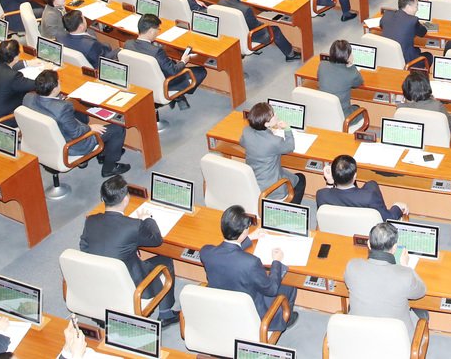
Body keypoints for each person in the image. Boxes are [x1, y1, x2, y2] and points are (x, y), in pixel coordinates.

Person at [81, 176, 178, 324]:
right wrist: (148, 219)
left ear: (102, 199)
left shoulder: (91, 221)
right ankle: (166, 314)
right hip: (131, 285)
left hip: (100, 281)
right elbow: (156, 239)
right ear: (126, 199)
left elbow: (84, 248)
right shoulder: (133, 226)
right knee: (165, 261)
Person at [198, 205, 298, 334]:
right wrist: (276, 261)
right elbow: (271, 289)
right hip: (253, 313)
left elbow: (224, 251)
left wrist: (249, 238)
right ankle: (284, 319)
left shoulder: (206, 252)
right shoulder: (251, 262)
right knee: (289, 285)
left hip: (222, 306)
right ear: (244, 231)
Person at [22, 69, 129, 176]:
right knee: (118, 129)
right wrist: (91, 128)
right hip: (73, 145)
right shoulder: (62, 108)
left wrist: (59, 100)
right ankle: (109, 168)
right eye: (59, 81)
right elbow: (77, 133)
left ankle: (103, 153)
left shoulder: (28, 98)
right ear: (54, 89)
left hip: (45, 139)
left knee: (80, 114)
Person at [344, 221, 428, 333]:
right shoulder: (405, 275)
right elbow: (421, 291)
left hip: (359, 334)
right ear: (394, 248)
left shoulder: (352, 266)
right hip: (396, 339)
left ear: (368, 244)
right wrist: (406, 267)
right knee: (423, 314)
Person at [124, 15, 205, 99]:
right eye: (158, 30)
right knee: (201, 71)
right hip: (163, 83)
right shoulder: (156, 52)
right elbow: (173, 71)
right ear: (151, 31)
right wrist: (183, 61)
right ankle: (178, 95)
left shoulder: (128, 44)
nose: (158, 32)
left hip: (139, 81)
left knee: (172, 62)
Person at [219, 0, 299, 60]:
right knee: (275, 29)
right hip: (249, 36)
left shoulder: (221, 3)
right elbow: (256, 27)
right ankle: (290, 54)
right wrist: (265, 24)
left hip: (231, 34)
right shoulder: (246, 9)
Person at [240, 101, 305, 201]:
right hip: (272, 189)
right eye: (273, 115)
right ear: (266, 123)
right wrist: (287, 129)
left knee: (287, 173)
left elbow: (243, 143)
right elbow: (290, 147)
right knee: (300, 179)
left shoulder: (246, 131)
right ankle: (290, 206)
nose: (276, 115)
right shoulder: (274, 141)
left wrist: (269, 132)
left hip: (253, 181)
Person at [316, 152, 405, 219]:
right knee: (371, 184)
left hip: (338, 231)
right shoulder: (370, 197)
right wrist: (398, 206)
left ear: (333, 175)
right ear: (355, 176)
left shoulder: (321, 195)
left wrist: (330, 183)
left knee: (371, 185)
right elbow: (388, 218)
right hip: (364, 234)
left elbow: (329, 196)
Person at [0, 39, 37, 120]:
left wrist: (27, 63)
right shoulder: (13, 77)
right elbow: (36, 85)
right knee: (34, 98)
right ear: (16, 57)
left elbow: (6, 67)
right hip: (7, 118)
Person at [381, 0, 429, 67]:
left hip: (387, 57)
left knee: (417, 49)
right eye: (416, 6)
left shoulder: (387, 14)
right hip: (405, 61)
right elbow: (423, 33)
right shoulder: (413, 20)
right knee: (429, 56)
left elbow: (381, 25)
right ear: (408, 7)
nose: (417, 9)